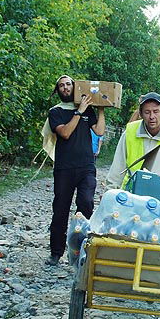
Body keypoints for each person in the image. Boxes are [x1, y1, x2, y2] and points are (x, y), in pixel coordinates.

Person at [44, 75, 105, 266]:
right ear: (58, 90)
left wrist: (101, 109)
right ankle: (56, 252)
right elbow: (65, 133)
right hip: (64, 169)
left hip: (86, 166)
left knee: (86, 203)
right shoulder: (56, 112)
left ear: (74, 86)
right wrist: (79, 112)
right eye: (61, 85)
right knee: (60, 211)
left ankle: (80, 249)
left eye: (68, 84)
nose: (65, 87)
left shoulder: (88, 110)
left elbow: (100, 131)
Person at [106, 92, 160, 188]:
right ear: (140, 114)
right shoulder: (130, 132)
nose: (152, 116)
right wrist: (110, 192)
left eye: (156, 111)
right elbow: (117, 168)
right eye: (147, 112)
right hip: (133, 191)